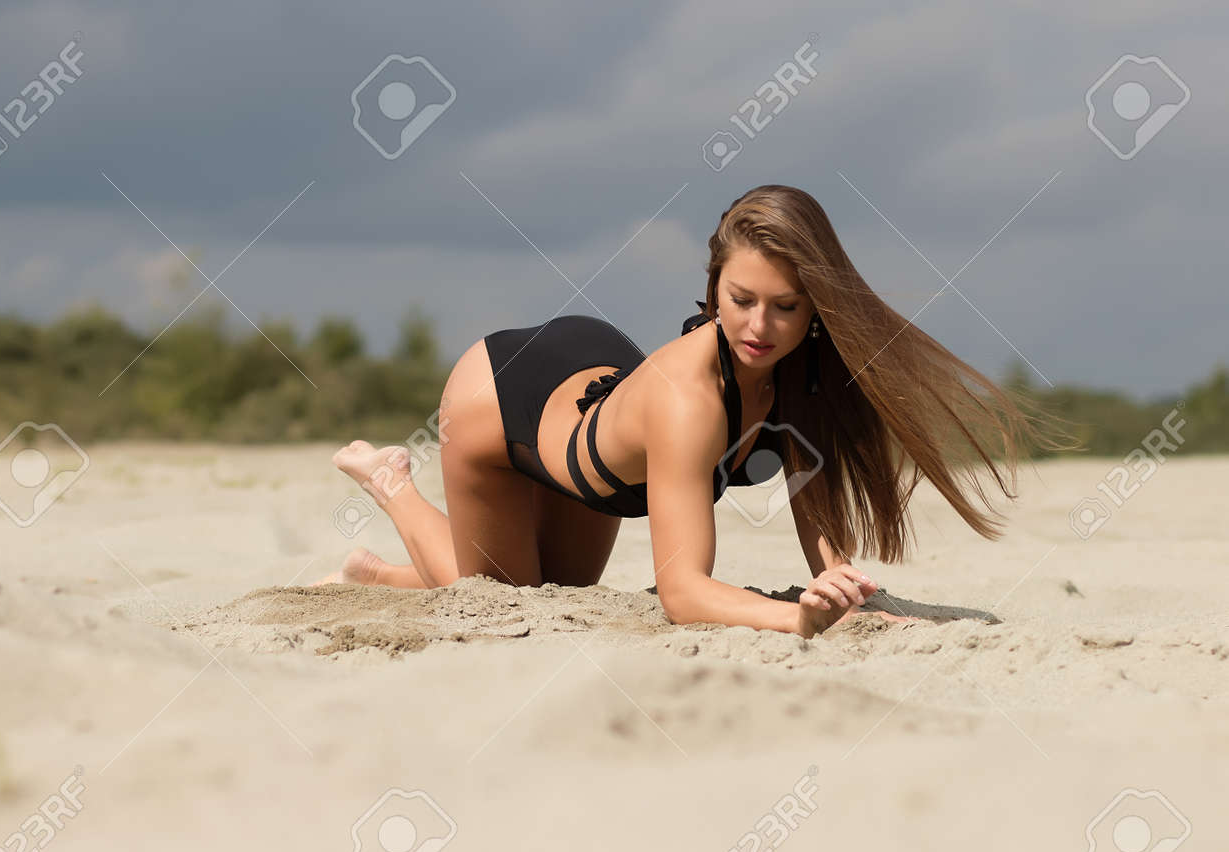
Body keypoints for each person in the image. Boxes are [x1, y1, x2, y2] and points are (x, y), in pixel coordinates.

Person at [318, 184, 1073, 638]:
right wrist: (794, 620)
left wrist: (839, 591)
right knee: (497, 604)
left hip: (595, 380)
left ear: (816, 308)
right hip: (504, 396)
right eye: (739, 300)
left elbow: (816, 520)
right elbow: (682, 594)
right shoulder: (689, 398)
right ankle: (391, 484)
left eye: (784, 307)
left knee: (559, 593)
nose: (757, 327)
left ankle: (375, 574)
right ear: (714, 286)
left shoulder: (804, 373)